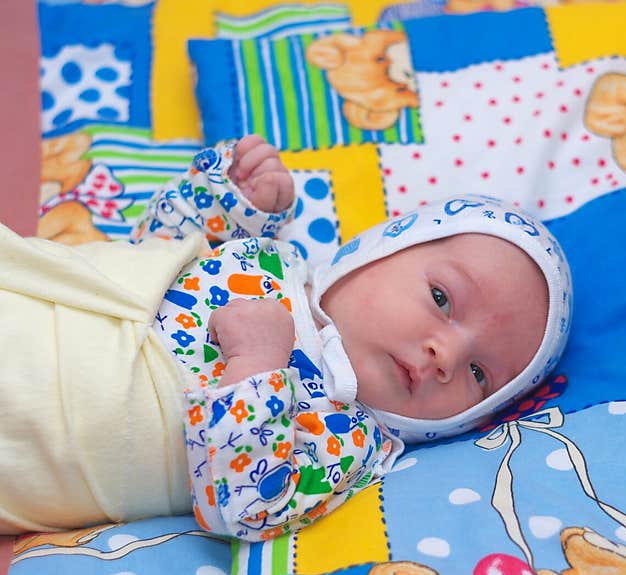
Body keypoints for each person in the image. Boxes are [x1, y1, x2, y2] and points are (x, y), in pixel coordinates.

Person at [0, 135, 572, 542]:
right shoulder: (271, 257)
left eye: (480, 375)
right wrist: (230, 198)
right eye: (442, 300)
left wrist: (256, 366)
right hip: (35, 291)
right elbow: (151, 246)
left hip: (41, 432)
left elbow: (247, 508)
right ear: (377, 253)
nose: (445, 355)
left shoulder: (347, 441)